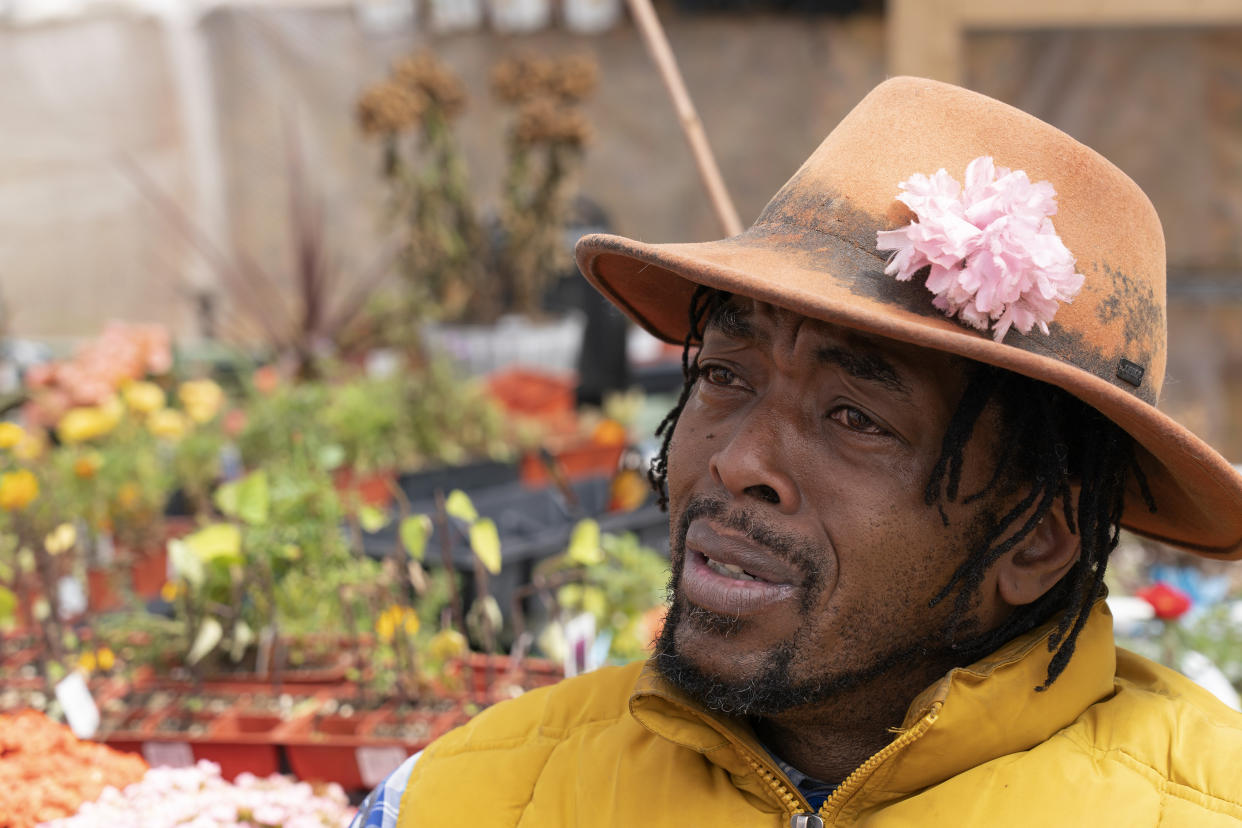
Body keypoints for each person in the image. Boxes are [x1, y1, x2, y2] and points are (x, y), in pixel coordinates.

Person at [352, 77, 1242, 827]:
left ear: (1035, 538)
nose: (737, 462)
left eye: (855, 416)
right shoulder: (468, 799)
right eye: (727, 376)